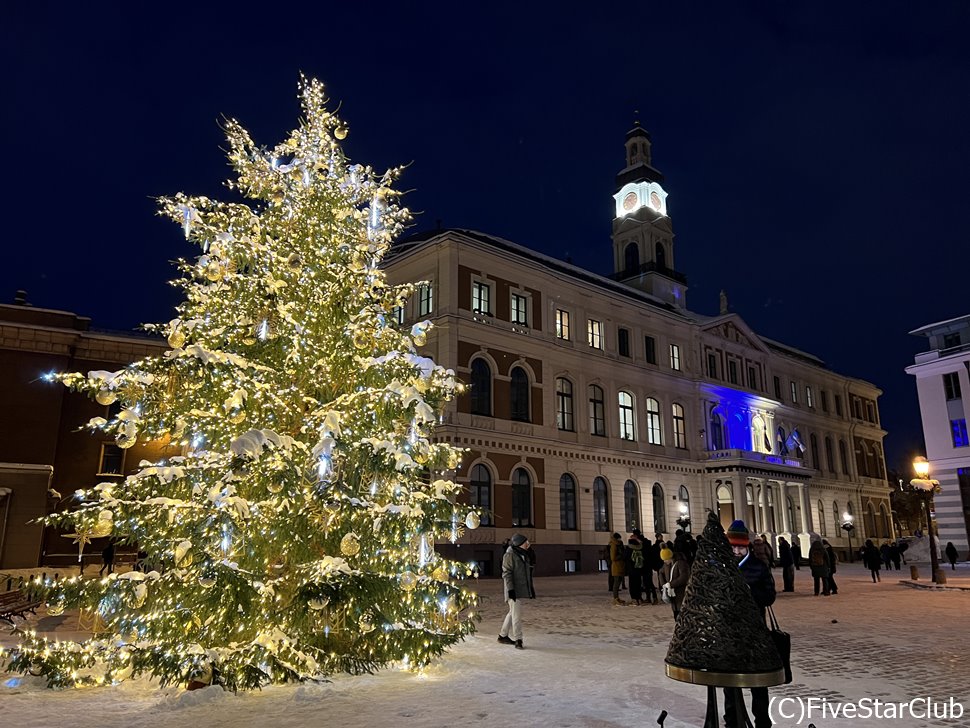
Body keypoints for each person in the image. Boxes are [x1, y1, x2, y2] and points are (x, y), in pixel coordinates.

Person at [724, 519, 775, 728]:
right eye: (733, 547)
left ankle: (762, 721)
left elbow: (769, 596)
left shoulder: (758, 567)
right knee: (729, 681)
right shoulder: (723, 568)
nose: (736, 551)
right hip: (730, 633)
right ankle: (732, 720)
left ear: (747, 547)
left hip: (755, 633)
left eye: (740, 547)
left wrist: (748, 593)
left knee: (757, 681)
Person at [497, 534, 535, 649]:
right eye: (525, 542)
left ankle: (503, 635)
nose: (528, 544)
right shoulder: (509, 555)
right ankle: (519, 639)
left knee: (512, 612)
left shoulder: (522, 554)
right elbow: (506, 573)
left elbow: (531, 565)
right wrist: (511, 590)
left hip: (518, 588)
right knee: (516, 615)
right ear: (519, 543)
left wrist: (530, 552)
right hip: (512, 589)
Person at [663, 545, 689, 619]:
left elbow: (684, 577)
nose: (664, 561)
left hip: (681, 592)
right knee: (676, 613)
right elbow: (661, 572)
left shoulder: (681, 563)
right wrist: (664, 584)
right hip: (674, 595)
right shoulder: (669, 564)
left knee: (681, 614)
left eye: (665, 559)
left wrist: (671, 584)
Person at [609, 532, 627, 605]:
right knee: (616, 583)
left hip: (620, 565)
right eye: (619, 538)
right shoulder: (613, 545)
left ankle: (617, 598)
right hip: (616, 566)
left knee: (619, 581)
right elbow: (613, 558)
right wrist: (621, 555)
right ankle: (615, 598)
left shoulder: (619, 545)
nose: (620, 539)